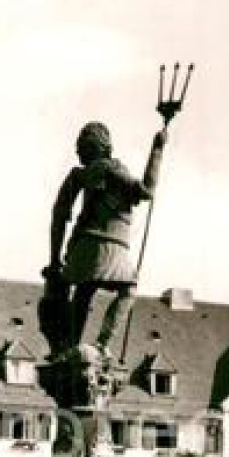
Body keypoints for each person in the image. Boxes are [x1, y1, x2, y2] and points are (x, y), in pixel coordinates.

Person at [42, 121, 166, 352]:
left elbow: (58, 217)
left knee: (83, 292)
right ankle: (102, 343)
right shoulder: (113, 169)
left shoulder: (78, 176)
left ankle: (71, 346)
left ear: (93, 147)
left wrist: (55, 259)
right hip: (111, 247)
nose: (77, 151)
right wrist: (157, 150)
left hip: (81, 249)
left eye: (80, 146)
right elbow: (146, 191)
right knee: (128, 289)